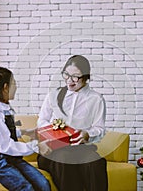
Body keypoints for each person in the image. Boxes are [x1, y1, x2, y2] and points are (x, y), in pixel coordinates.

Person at [37, 55, 108, 191]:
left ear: (86, 78)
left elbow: (99, 128)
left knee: (96, 163)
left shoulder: (96, 99)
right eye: (66, 75)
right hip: (55, 149)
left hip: (81, 149)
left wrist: (87, 134)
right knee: (64, 160)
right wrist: (53, 131)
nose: (70, 81)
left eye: (75, 77)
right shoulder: (54, 95)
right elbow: (42, 120)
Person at [0, 66, 51, 191]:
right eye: (14, 84)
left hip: (10, 157)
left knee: (43, 184)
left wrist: (24, 132)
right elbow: (6, 146)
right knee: (25, 188)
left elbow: (3, 133)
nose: (16, 87)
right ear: (5, 87)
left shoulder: (3, 110)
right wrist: (36, 146)